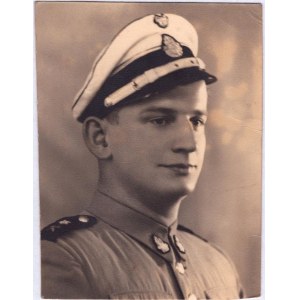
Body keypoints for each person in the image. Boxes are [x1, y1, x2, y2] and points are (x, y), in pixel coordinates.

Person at [41, 13, 244, 299]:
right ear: (100, 138)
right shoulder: (64, 260)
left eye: (197, 121)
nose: (189, 143)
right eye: (160, 120)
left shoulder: (219, 264)